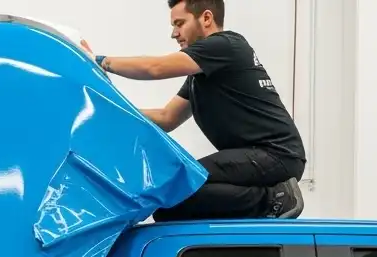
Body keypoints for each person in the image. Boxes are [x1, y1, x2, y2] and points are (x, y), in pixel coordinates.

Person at [95, 0, 306, 222]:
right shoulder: (202, 73)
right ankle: (261, 206)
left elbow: (154, 68)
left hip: (277, 155)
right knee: (167, 207)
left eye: (179, 23)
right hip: (256, 157)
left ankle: (275, 199)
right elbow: (167, 118)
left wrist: (101, 62)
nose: (174, 34)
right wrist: (111, 111)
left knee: (177, 187)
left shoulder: (226, 45)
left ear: (206, 18)